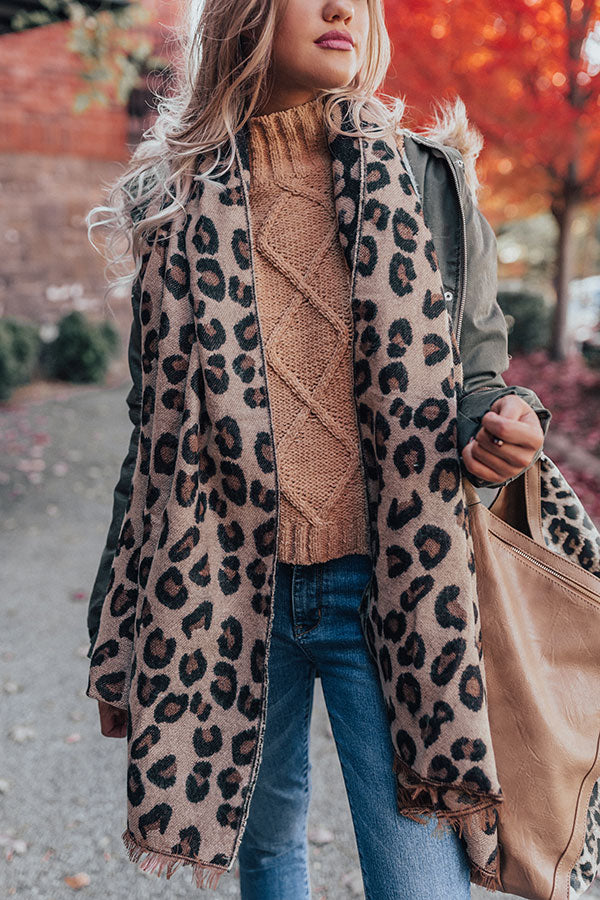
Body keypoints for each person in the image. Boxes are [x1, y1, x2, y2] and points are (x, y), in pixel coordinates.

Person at [85, 1, 550, 898]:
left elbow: (477, 373)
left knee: (417, 875)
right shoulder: (172, 202)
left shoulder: (428, 181)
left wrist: (498, 424)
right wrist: (119, 626)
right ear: (245, 16)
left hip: (390, 588)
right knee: (262, 853)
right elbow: (153, 442)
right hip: (223, 589)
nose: (342, 8)